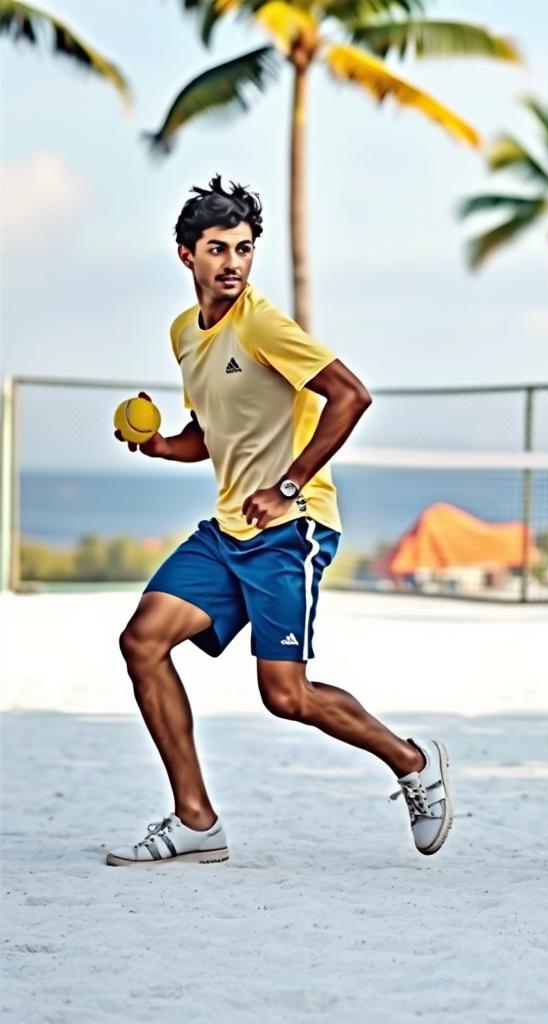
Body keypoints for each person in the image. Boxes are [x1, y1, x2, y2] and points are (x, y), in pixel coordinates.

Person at [106, 176, 451, 866]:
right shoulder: (185, 334)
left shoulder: (262, 324)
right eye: (217, 249)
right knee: (142, 642)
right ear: (186, 256)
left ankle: (412, 761)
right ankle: (196, 821)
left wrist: (289, 485)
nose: (233, 262)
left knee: (284, 695)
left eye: (244, 248)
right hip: (229, 528)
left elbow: (350, 396)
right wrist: (154, 446)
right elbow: (205, 436)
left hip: (291, 529)